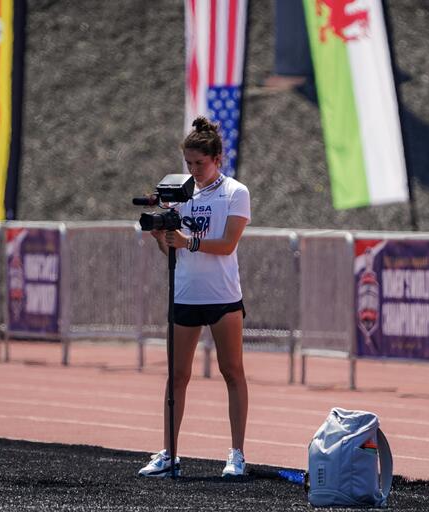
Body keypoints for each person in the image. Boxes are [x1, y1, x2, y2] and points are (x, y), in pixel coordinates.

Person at [138, 117, 251, 478]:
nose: (193, 170)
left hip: (222, 296)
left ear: (217, 157)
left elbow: (228, 244)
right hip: (185, 294)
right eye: (188, 164)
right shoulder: (182, 194)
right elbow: (173, 252)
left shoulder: (235, 192)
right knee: (177, 376)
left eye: (199, 163)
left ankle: (236, 454)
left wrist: (189, 241)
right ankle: (170, 452)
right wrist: (162, 236)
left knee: (232, 372)